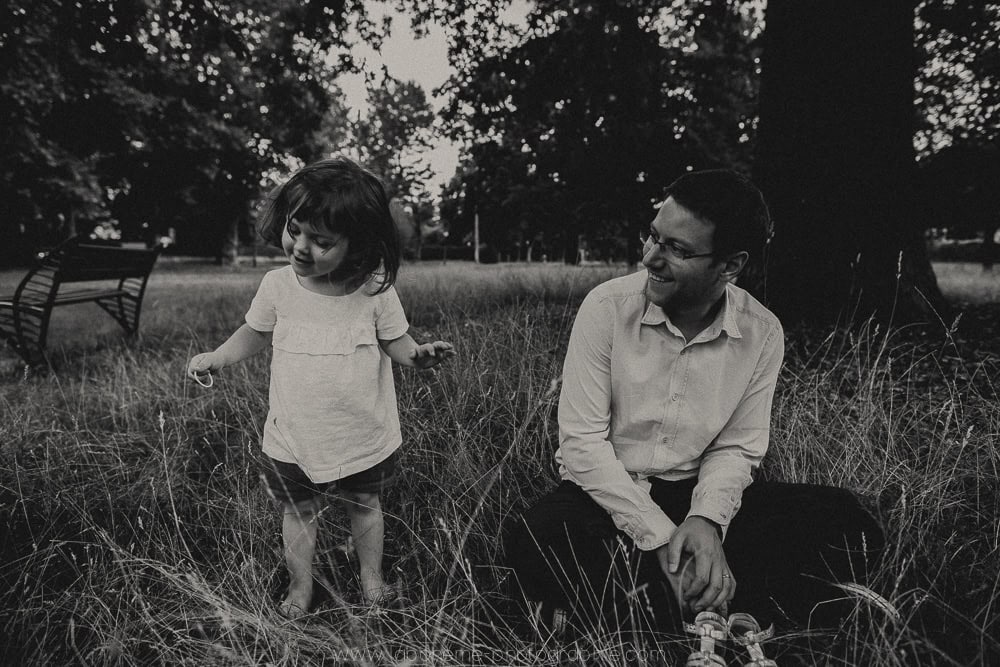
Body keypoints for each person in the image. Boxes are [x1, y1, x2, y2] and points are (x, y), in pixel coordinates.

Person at [505, 169, 884, 639]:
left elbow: (738, 448)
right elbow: (582, 444)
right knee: (538, 535)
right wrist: (665, 542)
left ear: (729, 265)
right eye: (653, 236)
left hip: (695, 494)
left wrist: (706, 523)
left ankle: (644, 610)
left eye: (676, 250)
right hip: (604, 497)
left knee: (849, 524)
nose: (650, 257)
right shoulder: (606, 308)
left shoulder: (762, 333)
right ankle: (731, 604)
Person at [187, 157, 454, 618]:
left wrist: (418, 356)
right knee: (299, 511)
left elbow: (395, 341)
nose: (300, 247)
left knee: (365, 504)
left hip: (362, 430)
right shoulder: (278, 286)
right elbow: (255, 331)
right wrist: (219, 356)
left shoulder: (374, 290)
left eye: (322, 241)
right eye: (294, 230)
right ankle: (300, 587)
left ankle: (372, 580)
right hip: (296, 433)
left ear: (359, 244)